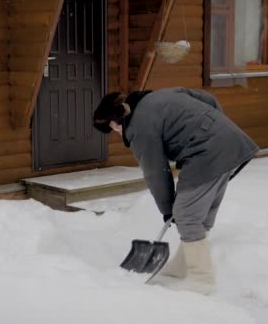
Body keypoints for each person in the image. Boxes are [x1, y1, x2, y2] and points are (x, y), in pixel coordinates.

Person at [93, 87, 258, 295]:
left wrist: (168, 209)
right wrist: (214, 128)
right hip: (229, 142)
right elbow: (208, 99)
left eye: (112, 129)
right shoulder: (157, 96)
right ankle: (183, 265)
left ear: (116, 120)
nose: (116, 133)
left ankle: (202, 279)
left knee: (186, 214)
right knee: (200, 213)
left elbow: (155, 171)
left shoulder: (138, 127)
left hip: (207, 152)